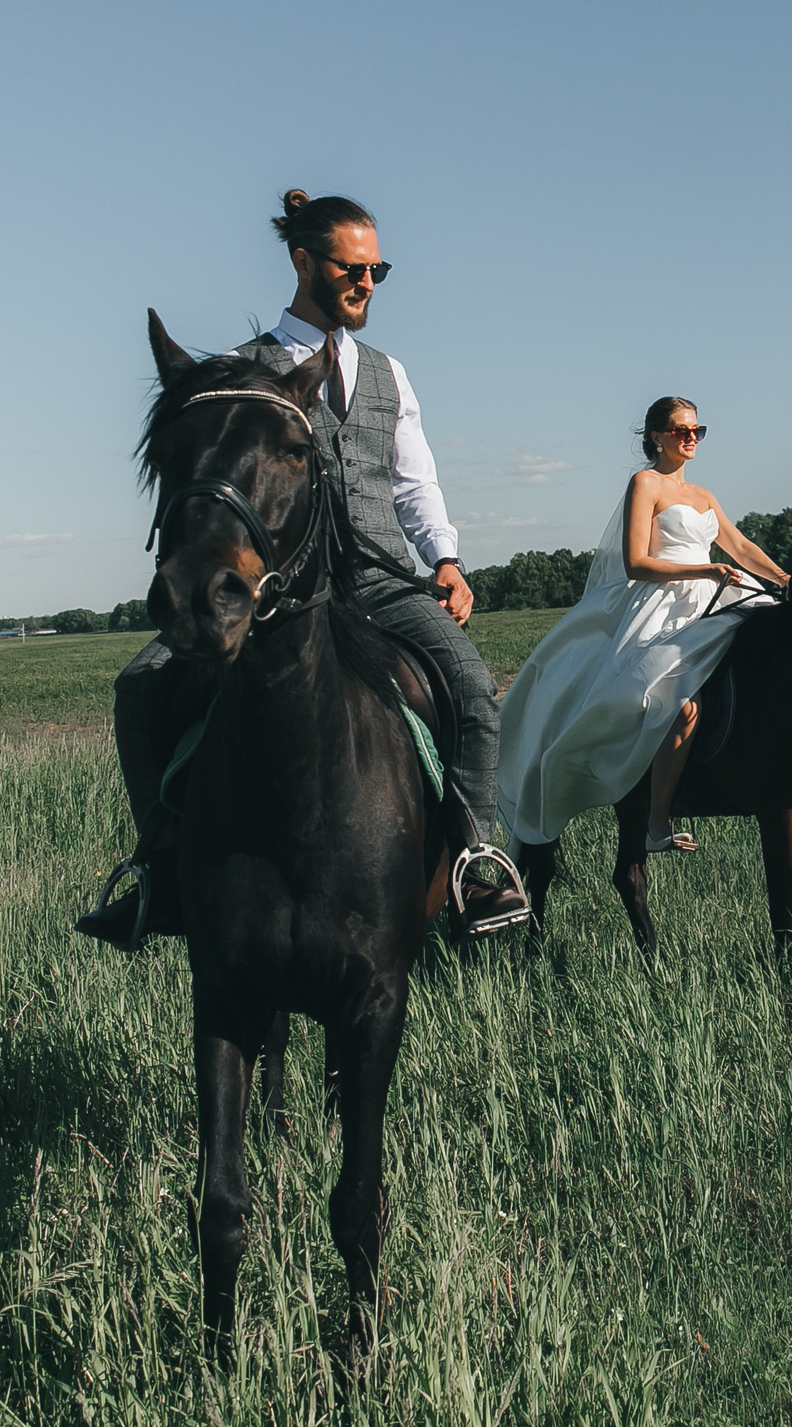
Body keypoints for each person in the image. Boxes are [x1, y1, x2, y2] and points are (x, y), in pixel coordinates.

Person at [79, 189, 526, 945]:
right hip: (279, 590)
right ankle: (159, 868)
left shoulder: (390, 374)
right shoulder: (242, 373)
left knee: (473, 687)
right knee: (141, 685)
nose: (367, 283)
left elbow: (414, 480)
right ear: (301, 261)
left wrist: (444, 557)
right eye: (352, 268)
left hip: (382, 579)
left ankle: (475, 863)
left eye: (377, 269)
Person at [495, 396, 792, 854]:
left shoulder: (704, 495)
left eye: (697, 429)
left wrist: (785, 579)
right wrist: (705, 570)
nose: (691, 437)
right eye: (680, 430)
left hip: (714, 594)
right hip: (662, 602)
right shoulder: (645, 483)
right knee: (677, 705)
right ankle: (656, 822)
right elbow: (636, 563)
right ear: (657, 436)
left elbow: (740, 545)